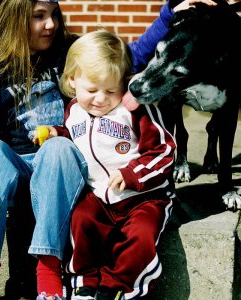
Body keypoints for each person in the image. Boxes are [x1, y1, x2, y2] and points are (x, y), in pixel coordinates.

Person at [0, 0, 217, 299]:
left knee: (58, 147)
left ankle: (48, 269)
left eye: (54, 15)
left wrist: (168, 13)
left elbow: (128, 57)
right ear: (13, 19)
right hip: (17, 167)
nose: (51, 24)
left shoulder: (67, 52)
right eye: (39, 17)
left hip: (62, 165)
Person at [45, 29, 175, 300]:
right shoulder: (74, 111)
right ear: (72, 81)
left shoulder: (135, 109)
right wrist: (57, 133)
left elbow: (165, 150)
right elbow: (76, 134)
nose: (101, 99)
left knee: (140, 237)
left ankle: (118, 288)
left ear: (123, 83)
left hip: (144, 197)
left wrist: (132, 173)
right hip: (99, 197)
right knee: (81, 221)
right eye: (91, 90)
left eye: (111, 90)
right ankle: (85, 283)